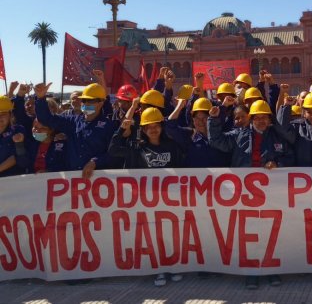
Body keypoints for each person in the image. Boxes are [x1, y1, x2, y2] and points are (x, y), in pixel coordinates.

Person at [208, 99, 290, 289]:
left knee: (270, 233)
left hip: (271, 194)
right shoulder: (238, 135)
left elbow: (290, 156)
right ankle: (251, 272)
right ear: (251, 119)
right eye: (257, 118)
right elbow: (217, 141)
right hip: (244, 195)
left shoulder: (277, 137)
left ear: (269, 119)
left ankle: (271, 270)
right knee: (248, 234)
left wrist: (278, 164)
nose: (261, 121)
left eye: (264, 118)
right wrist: (213, 120)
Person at [108, 107, 184, 286]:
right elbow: (113, 150)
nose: (153, 130)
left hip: (168, 200)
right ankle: (158, 270)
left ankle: (172, 266)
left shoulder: (171, 146)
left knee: (170, 234)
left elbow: (181, 169)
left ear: (161, 127)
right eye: (148, 127)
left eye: (156, 126)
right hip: (146, 201)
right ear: (143, 129)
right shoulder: (136, 147)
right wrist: (121, 130)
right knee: (153, 236)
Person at [34, 82, 119, 178]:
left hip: (97, 180)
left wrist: (95, 162)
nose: (85, 103)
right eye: (84, 100)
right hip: (72, 180)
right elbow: (46, 119)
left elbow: (113, 154)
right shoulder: (72, 121)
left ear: (100, 103)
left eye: (90, 101)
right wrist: (41, 99)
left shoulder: (109, 126)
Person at [166, 97, 230, 167]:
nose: (201, 121)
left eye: (204, 118)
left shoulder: (221, 136)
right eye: (197, 118)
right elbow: (170, 127)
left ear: (211, 118)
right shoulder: (189, 136)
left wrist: (224, 106)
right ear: (193, 119)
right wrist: (180, 105)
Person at [0, 96, 24, 177]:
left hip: (12, 181)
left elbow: (16, 157)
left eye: (3, 114)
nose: (0, 118)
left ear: (10, 115)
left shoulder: (18, 130)